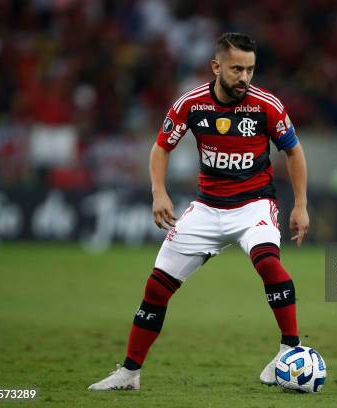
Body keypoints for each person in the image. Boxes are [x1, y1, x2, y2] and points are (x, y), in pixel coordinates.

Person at [88, 33, 309, 391]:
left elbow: (294, 152)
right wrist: (158, 193)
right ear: (216, 66)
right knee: (156, 289)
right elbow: (161, 148)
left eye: (250, 69)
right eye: (237, 68)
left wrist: (300, 204)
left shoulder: (266, 105)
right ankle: (129, 373)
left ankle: (289, 352)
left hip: (254, 204)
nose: (244, 77)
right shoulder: (191, 104)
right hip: (206, 208)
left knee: (269, 263)